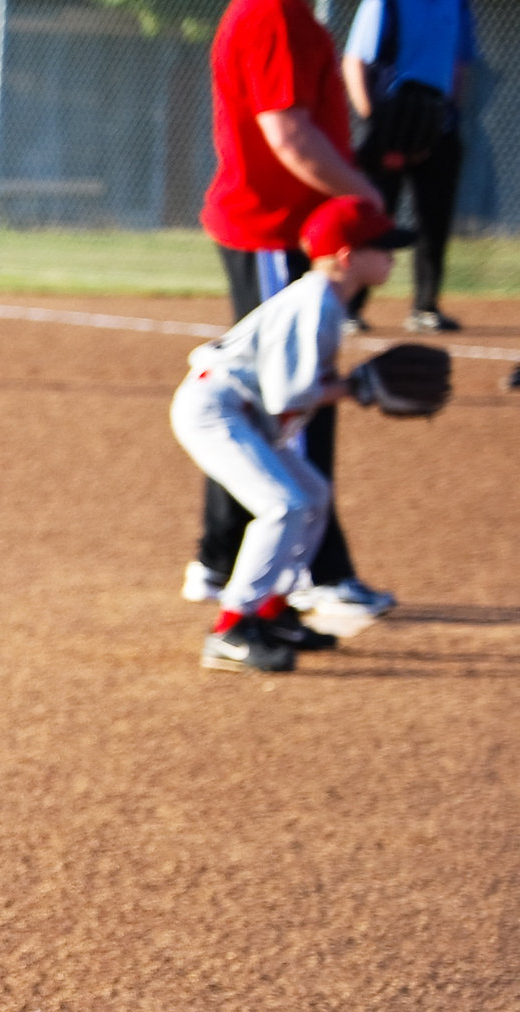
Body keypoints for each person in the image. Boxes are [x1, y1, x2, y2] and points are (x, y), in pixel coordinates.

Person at [188, 0, 399, 638]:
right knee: (290, 398)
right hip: (278, 229)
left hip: (286, 228)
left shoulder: (295, 16)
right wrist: (364, 198)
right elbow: (286, 131)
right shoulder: (274, 13)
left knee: (257, 402)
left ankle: (223, 557)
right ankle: (311, 576)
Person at [172, 196, 415, 673]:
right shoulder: (315, 301)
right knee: (284, 504)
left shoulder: (326, 299)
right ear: (346, 256)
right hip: (215, 409)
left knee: (312, 493)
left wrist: (353, 386)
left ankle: (272, 611)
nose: (392, 255)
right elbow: (289, 396)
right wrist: (355, 387)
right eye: (381, 246)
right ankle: (230, 628)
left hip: (236, 410)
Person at [341, 0, 479, 332]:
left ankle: (425, 306)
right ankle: (349, 305)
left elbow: (459, 65)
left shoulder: (457, 5)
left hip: (437, 124)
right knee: (373, 212)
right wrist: (375, 123)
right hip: (390, 118)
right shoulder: (385, 2)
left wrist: (447, 121)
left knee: (436, 217)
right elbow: (355, 61)